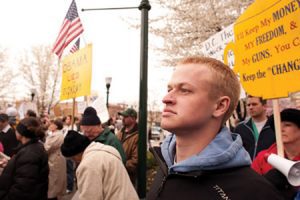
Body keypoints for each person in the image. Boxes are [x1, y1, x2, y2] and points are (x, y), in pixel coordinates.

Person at [147, 56, 284, 200]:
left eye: (185, 90)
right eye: (169, 89)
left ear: (219, 106)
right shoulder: (165, 167)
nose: (166, 98)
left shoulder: (255, 192)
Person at [60, 130, 139, 200]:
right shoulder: (104, 151)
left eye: (73, 158)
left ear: (76, 154)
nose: (75, 162)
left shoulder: (88, 164)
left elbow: (90, 197)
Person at [252, 108, 300, 199]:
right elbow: (250, 189)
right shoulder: (263, 158)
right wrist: (265, 183)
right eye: (278, 125)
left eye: (287, 125)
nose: (281, 129)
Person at [0, 117, 49, 200]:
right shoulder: (31, 148)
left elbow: (23, 187)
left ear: (21, 133)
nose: (15, 131)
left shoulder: (30, 153)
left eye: (16, 129)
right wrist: (10, 165)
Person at [234, 95, 276, 160]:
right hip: (247, 168)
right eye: (248, 105)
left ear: (264, 106)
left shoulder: (274, 127)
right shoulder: (240, 128)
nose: (250, 107)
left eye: (254, 104)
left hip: (268, 167)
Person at [44, 119, 67, 200]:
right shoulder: (53, 134)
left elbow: (47, 148)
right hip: (53, 159)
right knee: (53, 181)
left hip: (55, 160)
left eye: (51, 124)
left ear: (56, 126)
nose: (49, 126)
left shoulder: (58, 135)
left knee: (54, 181)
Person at [117, 108, 139, 185]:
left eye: (125, 117)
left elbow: (135, 161)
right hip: (117, 174)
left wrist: (118, 164)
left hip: (129, 178)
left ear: (133, 119)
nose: (123, 119)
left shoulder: (138, 136)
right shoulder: (120, 132)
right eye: (122, 116)